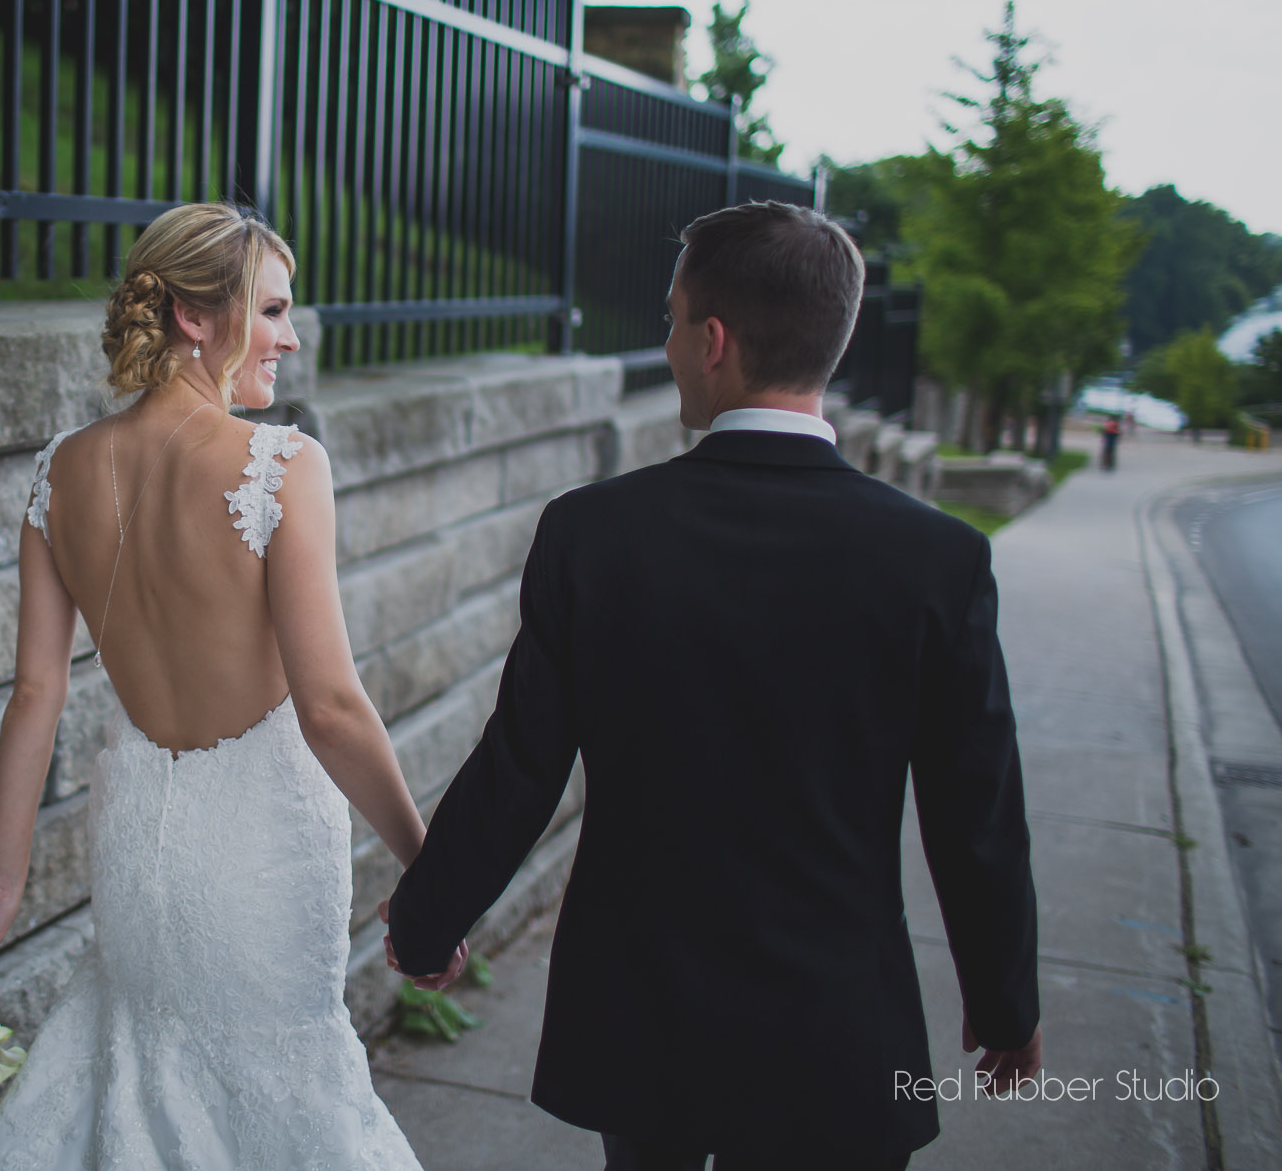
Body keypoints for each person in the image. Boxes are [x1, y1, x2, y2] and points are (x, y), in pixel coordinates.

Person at [386, 201, 1042, 1171]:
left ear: (713, 341)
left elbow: (520, 762)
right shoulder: (933, 558)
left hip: (642, 1011)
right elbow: (973, 811)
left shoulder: (592, 534)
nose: (664, 341)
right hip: (833, 1021)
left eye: (667, 318)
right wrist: (1004, 1006)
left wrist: (427, 918)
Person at [0, 203, 447, 1169]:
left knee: (131, 1069)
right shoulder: (283, 467)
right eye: (272, 310)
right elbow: (330, 709)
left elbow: (35, 695)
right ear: (194, 318)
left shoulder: (61, 471)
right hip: (260, 857)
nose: (291, 337)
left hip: (139, 851)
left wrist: (0, 878)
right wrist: (428, 862)